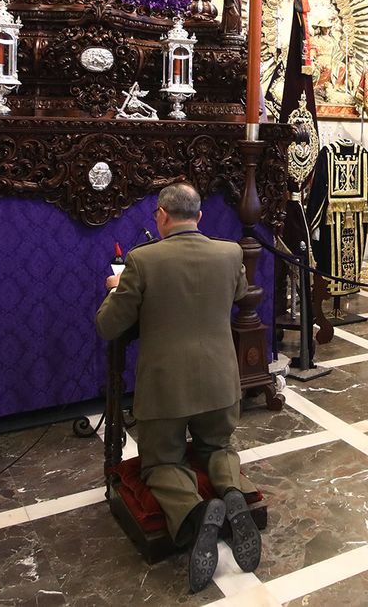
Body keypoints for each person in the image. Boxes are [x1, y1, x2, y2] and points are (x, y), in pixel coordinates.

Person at [95, 183, 261, 593]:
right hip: (221, 383)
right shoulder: (229, 253)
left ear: (163, 216)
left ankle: (195, 512)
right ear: (199, 217)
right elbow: (240, 293)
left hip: (166, 390)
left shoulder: (142, 261)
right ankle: (233, 492)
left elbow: (108, 326)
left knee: (162, 462)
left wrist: (114, 291)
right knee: (217, 447)